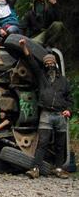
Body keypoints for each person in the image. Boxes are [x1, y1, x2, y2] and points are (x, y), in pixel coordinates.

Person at [19, 39, 73, 179]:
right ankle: (35, 169)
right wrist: (24, 47)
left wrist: (68, 110)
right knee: (42, 142)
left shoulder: (64, 81)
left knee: (60, 144)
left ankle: (59, 169)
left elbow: (70, 99)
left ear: (55, 64)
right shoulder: (42, 77)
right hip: (46, 114)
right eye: (47, 63)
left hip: (60, 115)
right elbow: (31, 61)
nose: (49, 65)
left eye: (51, 62)